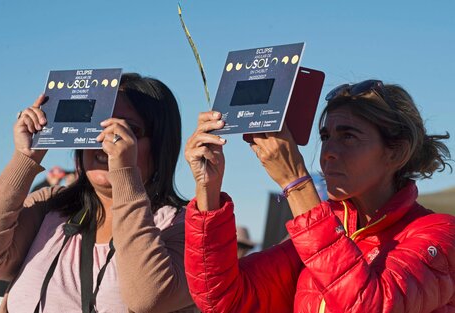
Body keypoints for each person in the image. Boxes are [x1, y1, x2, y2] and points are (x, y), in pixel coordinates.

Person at [184, 79, 455, 312]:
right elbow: (222, 299)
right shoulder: (324, 232)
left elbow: (370, 305)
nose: (328, 152)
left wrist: (296, 183)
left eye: (348, 136)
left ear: (397, 152)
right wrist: (208, 189)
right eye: (326, 136)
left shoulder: (438, 234)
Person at [0, 73, 198, 312]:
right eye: (96, 125)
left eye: (126, 130)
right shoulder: (50, 206)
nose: (104, 140)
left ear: (159, 145)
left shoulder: (186, 226)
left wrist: (125, 174)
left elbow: (147, 298)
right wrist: (24, 159)